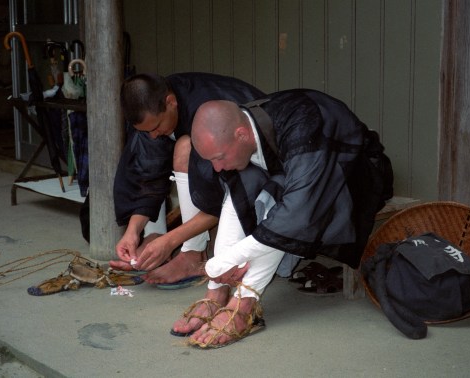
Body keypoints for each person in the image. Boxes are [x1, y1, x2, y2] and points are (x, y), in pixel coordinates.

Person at [173, 89, 393, 348]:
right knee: (243, 182)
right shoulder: (243, 125)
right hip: (294, 176)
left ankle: (244, 306)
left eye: (219, 157)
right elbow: (238, 192)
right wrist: (218, 272)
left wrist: (227, 260)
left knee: (281, 212)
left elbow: (297, 213)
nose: (217, 168)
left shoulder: (305, 125)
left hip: (353, 179)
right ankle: (217, 293)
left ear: (241, 134)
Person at [109, 73, 265, 285]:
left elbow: (229, 190)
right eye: (147, 131)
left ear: (171, 102)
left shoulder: (207, 110)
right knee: (170, 146)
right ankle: (163, 241)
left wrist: (171, 240)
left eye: (156, 128)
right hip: (227, 184)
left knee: (184, 147)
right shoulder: (155, 113)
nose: (153, 135)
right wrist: (133, 232)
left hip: (264, 182)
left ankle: (192, 255)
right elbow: (147, 173)